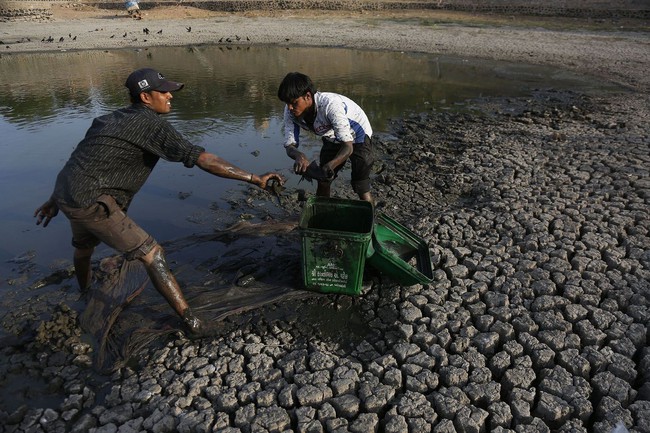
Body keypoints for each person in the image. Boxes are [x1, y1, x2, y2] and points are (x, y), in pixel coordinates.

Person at [34, 68, 283, 338]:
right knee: (153, 254)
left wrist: (54, 200)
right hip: (94, 203)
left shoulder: (107, 119)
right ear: (145, 97)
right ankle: (192, 323)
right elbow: (202, 159)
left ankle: (84, 293)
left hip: (69, 195)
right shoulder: (150, 124)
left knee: (83, 250)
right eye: (163, 91)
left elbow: (78, 159)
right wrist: (255, 178)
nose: (169, 96)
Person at [277, 72, 375, 204]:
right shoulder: (290, 111)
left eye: (294, 103)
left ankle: (370, 216)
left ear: (307, 96)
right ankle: (321, 212)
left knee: (360, 184)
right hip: (331, 135)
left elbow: (347, 146)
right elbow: (289, 145)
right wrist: (298, 155)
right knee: (323, 179)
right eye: (287, 103)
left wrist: (331, 165)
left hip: (357, 134)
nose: (289, 108)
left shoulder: (330, 105)